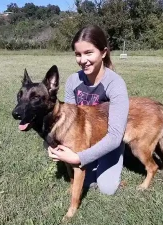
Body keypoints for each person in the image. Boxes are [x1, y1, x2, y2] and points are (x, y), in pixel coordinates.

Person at [48, 25, 129, 195]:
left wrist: (78, 158)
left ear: (103, 52)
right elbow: (68, 124)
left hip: (109, 141)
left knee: (107, 188)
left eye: (89, 53)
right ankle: (93, 161)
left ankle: (117, 158)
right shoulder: (72, 81)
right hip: (84, 139)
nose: (83, 60)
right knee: (84, 182)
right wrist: (52, 144)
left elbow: (115, 136)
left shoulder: (115, 83)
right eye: (78, 54)